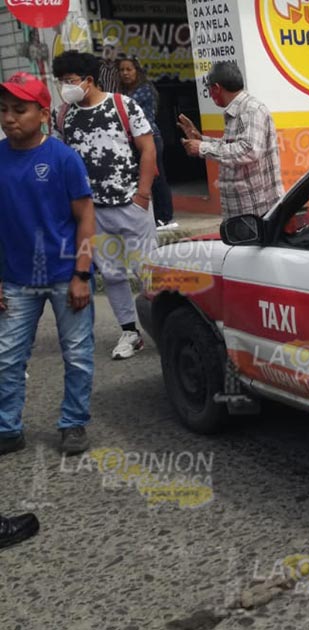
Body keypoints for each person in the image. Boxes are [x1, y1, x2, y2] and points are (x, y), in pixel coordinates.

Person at [0, 72, 97, 456]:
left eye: (19, 110)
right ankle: (7, 428)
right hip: (15, 279)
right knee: (6, 358)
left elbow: (85, 218)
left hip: (65, 275)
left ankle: (73, 423)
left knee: (78, 356)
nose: (9, 118)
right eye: (3, 110)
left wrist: (82, 274)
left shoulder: (63, 159)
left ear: (42, 114)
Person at [52, 50, 158, 361]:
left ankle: (164, 326)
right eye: (61, 81)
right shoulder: (63, 115)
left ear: (88, 80)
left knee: (147, 271)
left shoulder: (123, 105)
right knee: (111, 273)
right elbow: (60, 158)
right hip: (91, 212)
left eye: (69, 80)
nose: (65, 87)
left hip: (131, 205)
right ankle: (130, 332)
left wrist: (142, 196)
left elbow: (148, 148)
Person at [179, 61, 284, 218]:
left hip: (255, 210)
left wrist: (202, 148)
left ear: (216, 88)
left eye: (209, 88)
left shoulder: (250, 110)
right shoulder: (239, 110)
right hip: (243, 209)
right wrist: (201, 140)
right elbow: (232, 145)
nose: (210, 94)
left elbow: (248, 150)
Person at [117, 55, 177, 230]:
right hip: (132, 140)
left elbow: (125, 110)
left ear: (137, 71)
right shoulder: (123, 93)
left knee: (156, 177)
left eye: (129, 69)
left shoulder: (144, 90)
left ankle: (165, 217)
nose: (125, 73)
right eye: (122, 70)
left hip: (150, 138)